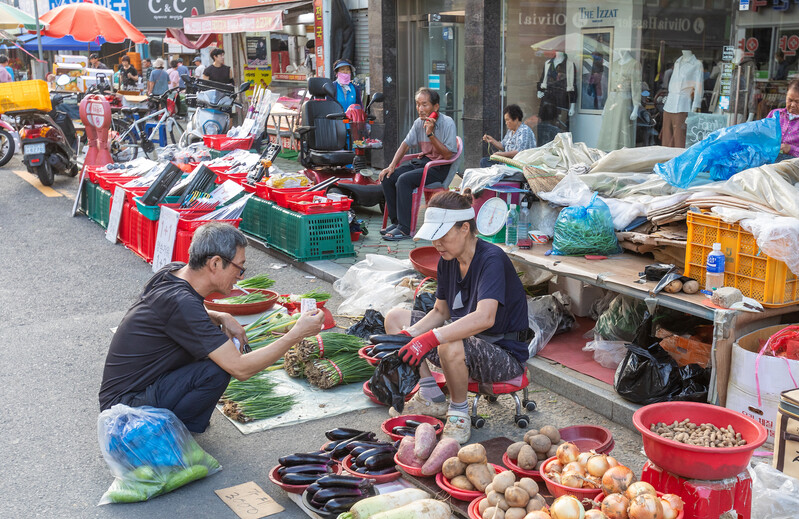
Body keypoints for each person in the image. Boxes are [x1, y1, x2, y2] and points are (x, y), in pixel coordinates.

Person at [99, 224, 328, 433]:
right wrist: (296, 333)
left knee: (214, 352)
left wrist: (220, 315)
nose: (240, 277)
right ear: (215, 263)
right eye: (239, 268)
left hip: (124, 396)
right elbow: (241, 369)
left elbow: (169, 314)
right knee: (217, 369)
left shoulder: (174, 272)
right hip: (125, 412)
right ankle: (174, 433)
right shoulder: (182, 303)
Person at [378, 190, 530, 443]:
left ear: (464, 228)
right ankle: (430, 395)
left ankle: (459, 413)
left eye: (442, 235)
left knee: (448, 343)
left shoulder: (491, 259)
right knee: (395, 318)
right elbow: (441, 311)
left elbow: (485, 318)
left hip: (503, 352)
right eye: (433, 236)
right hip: (466, 342)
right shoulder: (447, 260)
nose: (437, 243)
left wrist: (428, 339)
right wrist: (409, 336)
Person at [379, 87, 457, 241]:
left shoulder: (447, 123)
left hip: (439, 166)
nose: (420, 109)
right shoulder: (417, 123)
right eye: (418, 104)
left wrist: (430, 134)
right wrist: (392, 165)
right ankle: (397, 223)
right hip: (425, 162)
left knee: (404, 180)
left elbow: (449, 154)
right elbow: (405, 145)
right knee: (388, 177)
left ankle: (405, 229)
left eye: (424, 105)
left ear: (435, 107)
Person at [767, 75, 799, 159]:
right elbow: (762, 135)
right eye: (790, 100)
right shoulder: (774, 114)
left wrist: (790, 149)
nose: (792, 105)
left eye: (798, 102)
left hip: (792, 167)